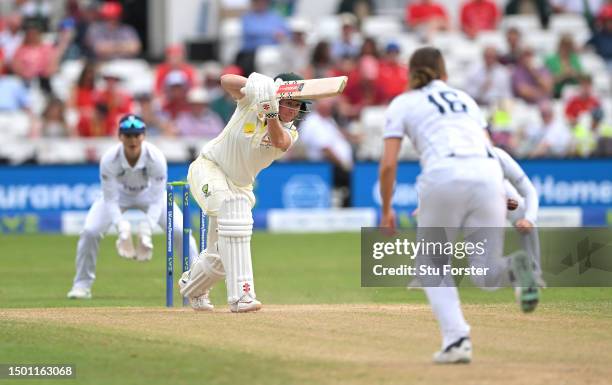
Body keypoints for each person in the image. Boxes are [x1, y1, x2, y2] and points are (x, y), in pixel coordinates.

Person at [378, 47, 539, 364]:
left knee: (430, 266)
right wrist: (498, 192)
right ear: (444, 73)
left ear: (410, 73)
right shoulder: (464, 99)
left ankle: (457, 341)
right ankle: (518, 269)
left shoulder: (403, 102)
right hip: (488, 173)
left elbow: (387, 165)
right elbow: (488, 148)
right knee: (486, 272)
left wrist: (386, 209)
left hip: (443, 173)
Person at [178, 72, 306, 312]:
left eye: (297, 105)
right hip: (209, 167)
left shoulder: (291, 132)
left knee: (220, 256)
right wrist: (259, 85)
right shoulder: (250, 102)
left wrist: (270, 111)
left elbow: (279, 141)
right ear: (278, 97)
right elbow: (226, 80)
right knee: (233, 213)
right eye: (288, 102)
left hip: (240, 185)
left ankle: (192, 286)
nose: (292, 109)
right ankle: (242, 296)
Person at [67, 114, 199, 299]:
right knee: (90, 231)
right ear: (120, 136)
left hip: (149, 194)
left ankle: (196, 285)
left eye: (136, 135)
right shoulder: (109, 159)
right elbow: (111, 199)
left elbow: (155, 199)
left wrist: (145, 228)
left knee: (180, 231)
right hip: (119, 195)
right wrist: (122, 227)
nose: (132, 140)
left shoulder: (156, 157)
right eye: (128, 135)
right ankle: (82, 285)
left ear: (143, 136)